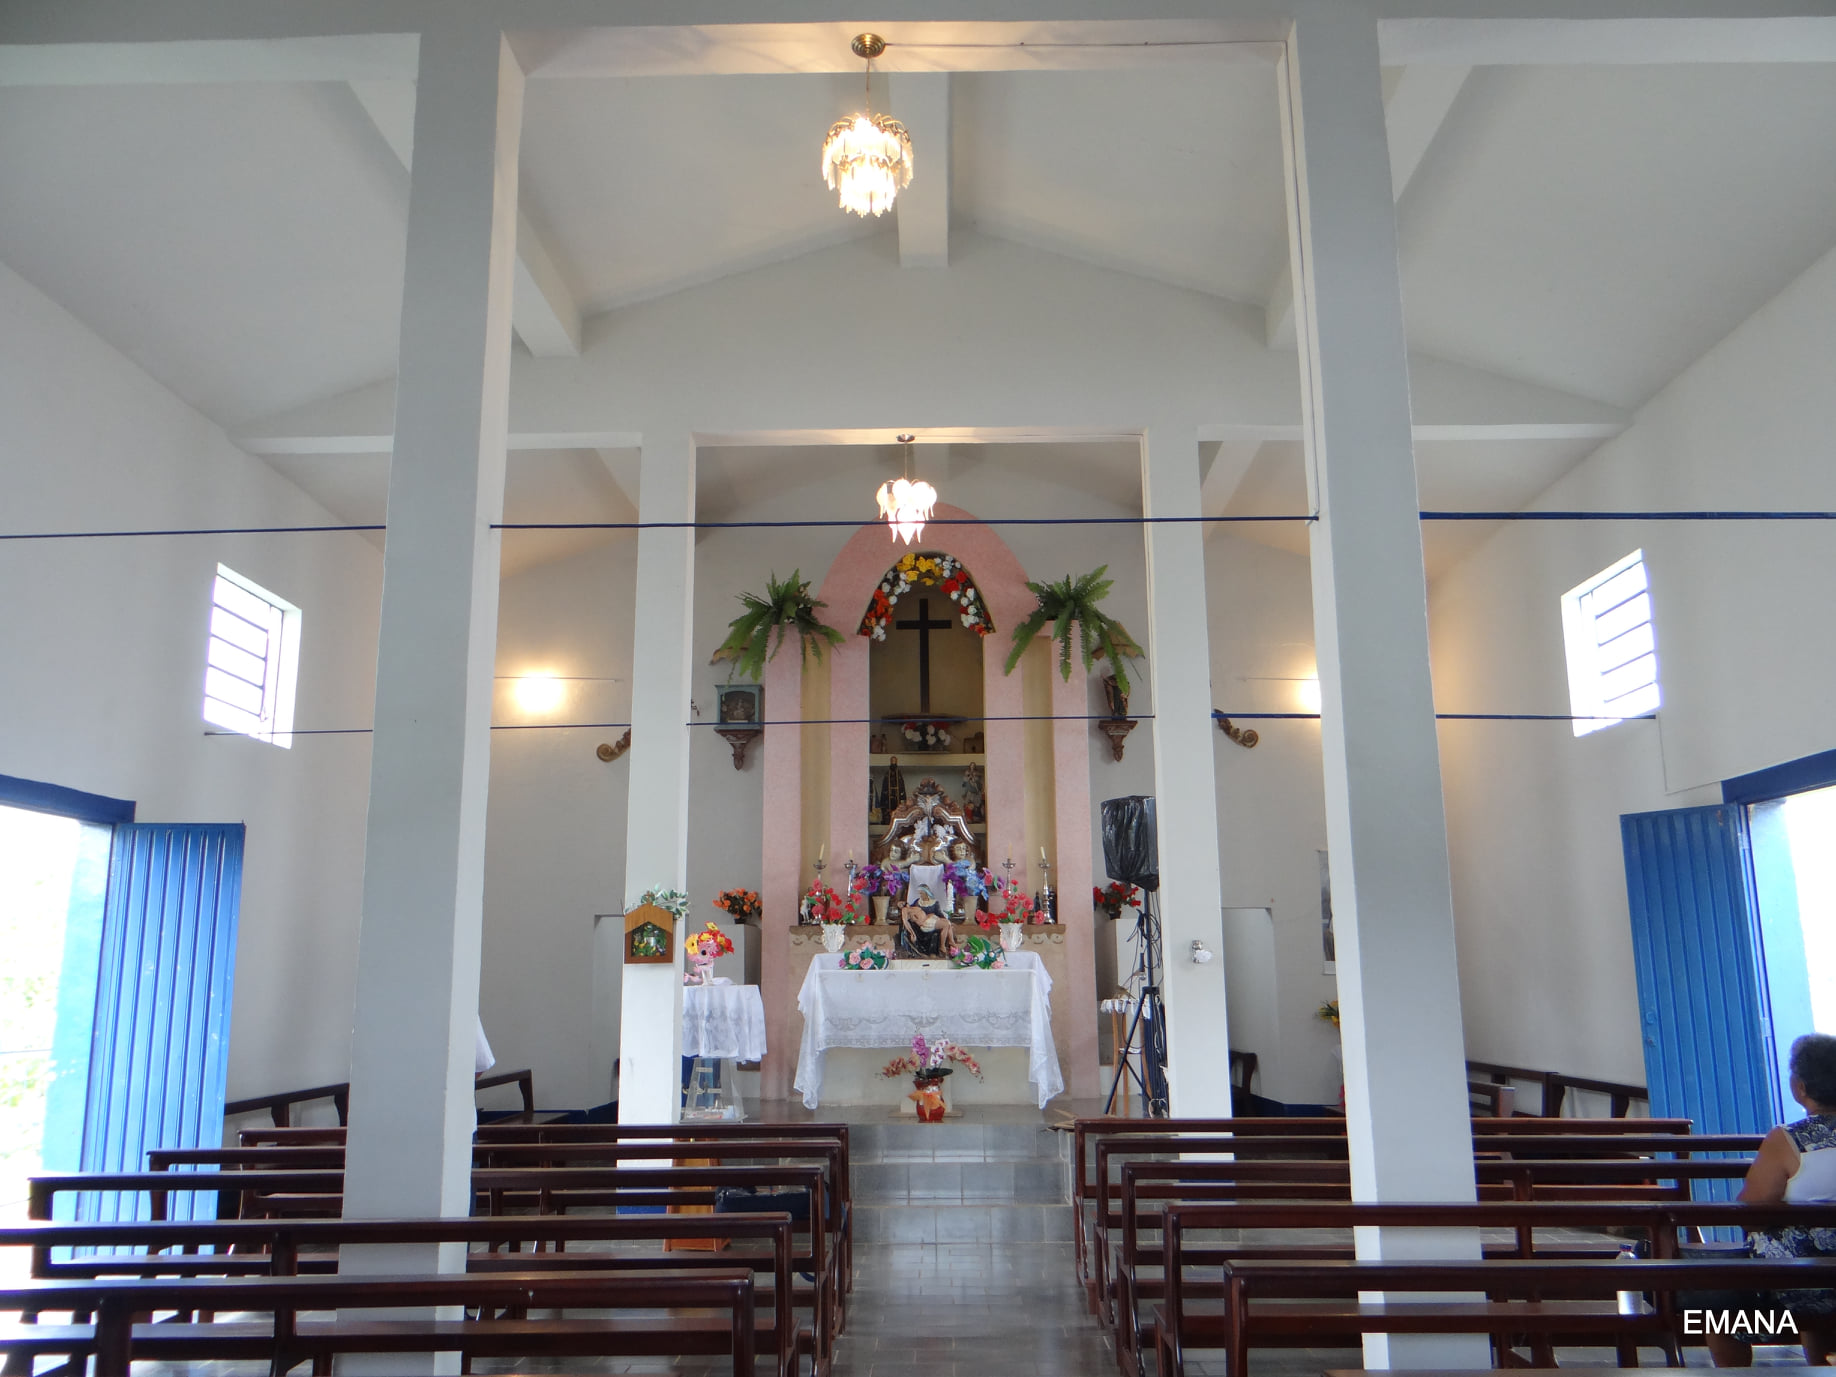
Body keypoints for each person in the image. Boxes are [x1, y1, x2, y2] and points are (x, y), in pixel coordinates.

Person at [1698, 1032, 1836, 1366]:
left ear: (1799, 1088)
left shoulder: (1788, 1140)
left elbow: (1749, 1212)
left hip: (1800, 1293)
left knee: (1716, 1316)